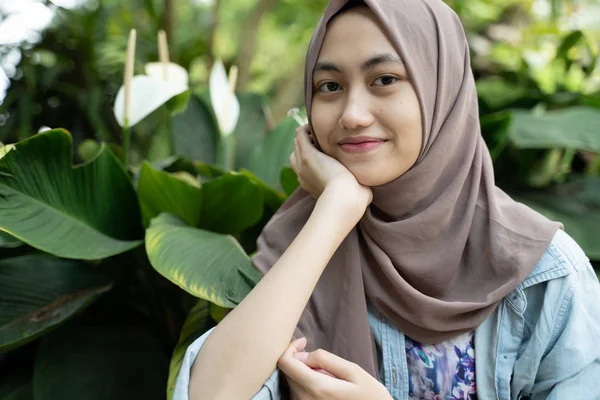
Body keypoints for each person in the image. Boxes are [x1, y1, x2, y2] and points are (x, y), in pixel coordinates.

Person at [175, 0, 600, 399]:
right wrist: (336, 208)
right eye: (329, 85)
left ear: (442, 90)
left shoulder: (544, 275)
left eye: (385, 80)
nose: (352, 114)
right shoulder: (297, 244)